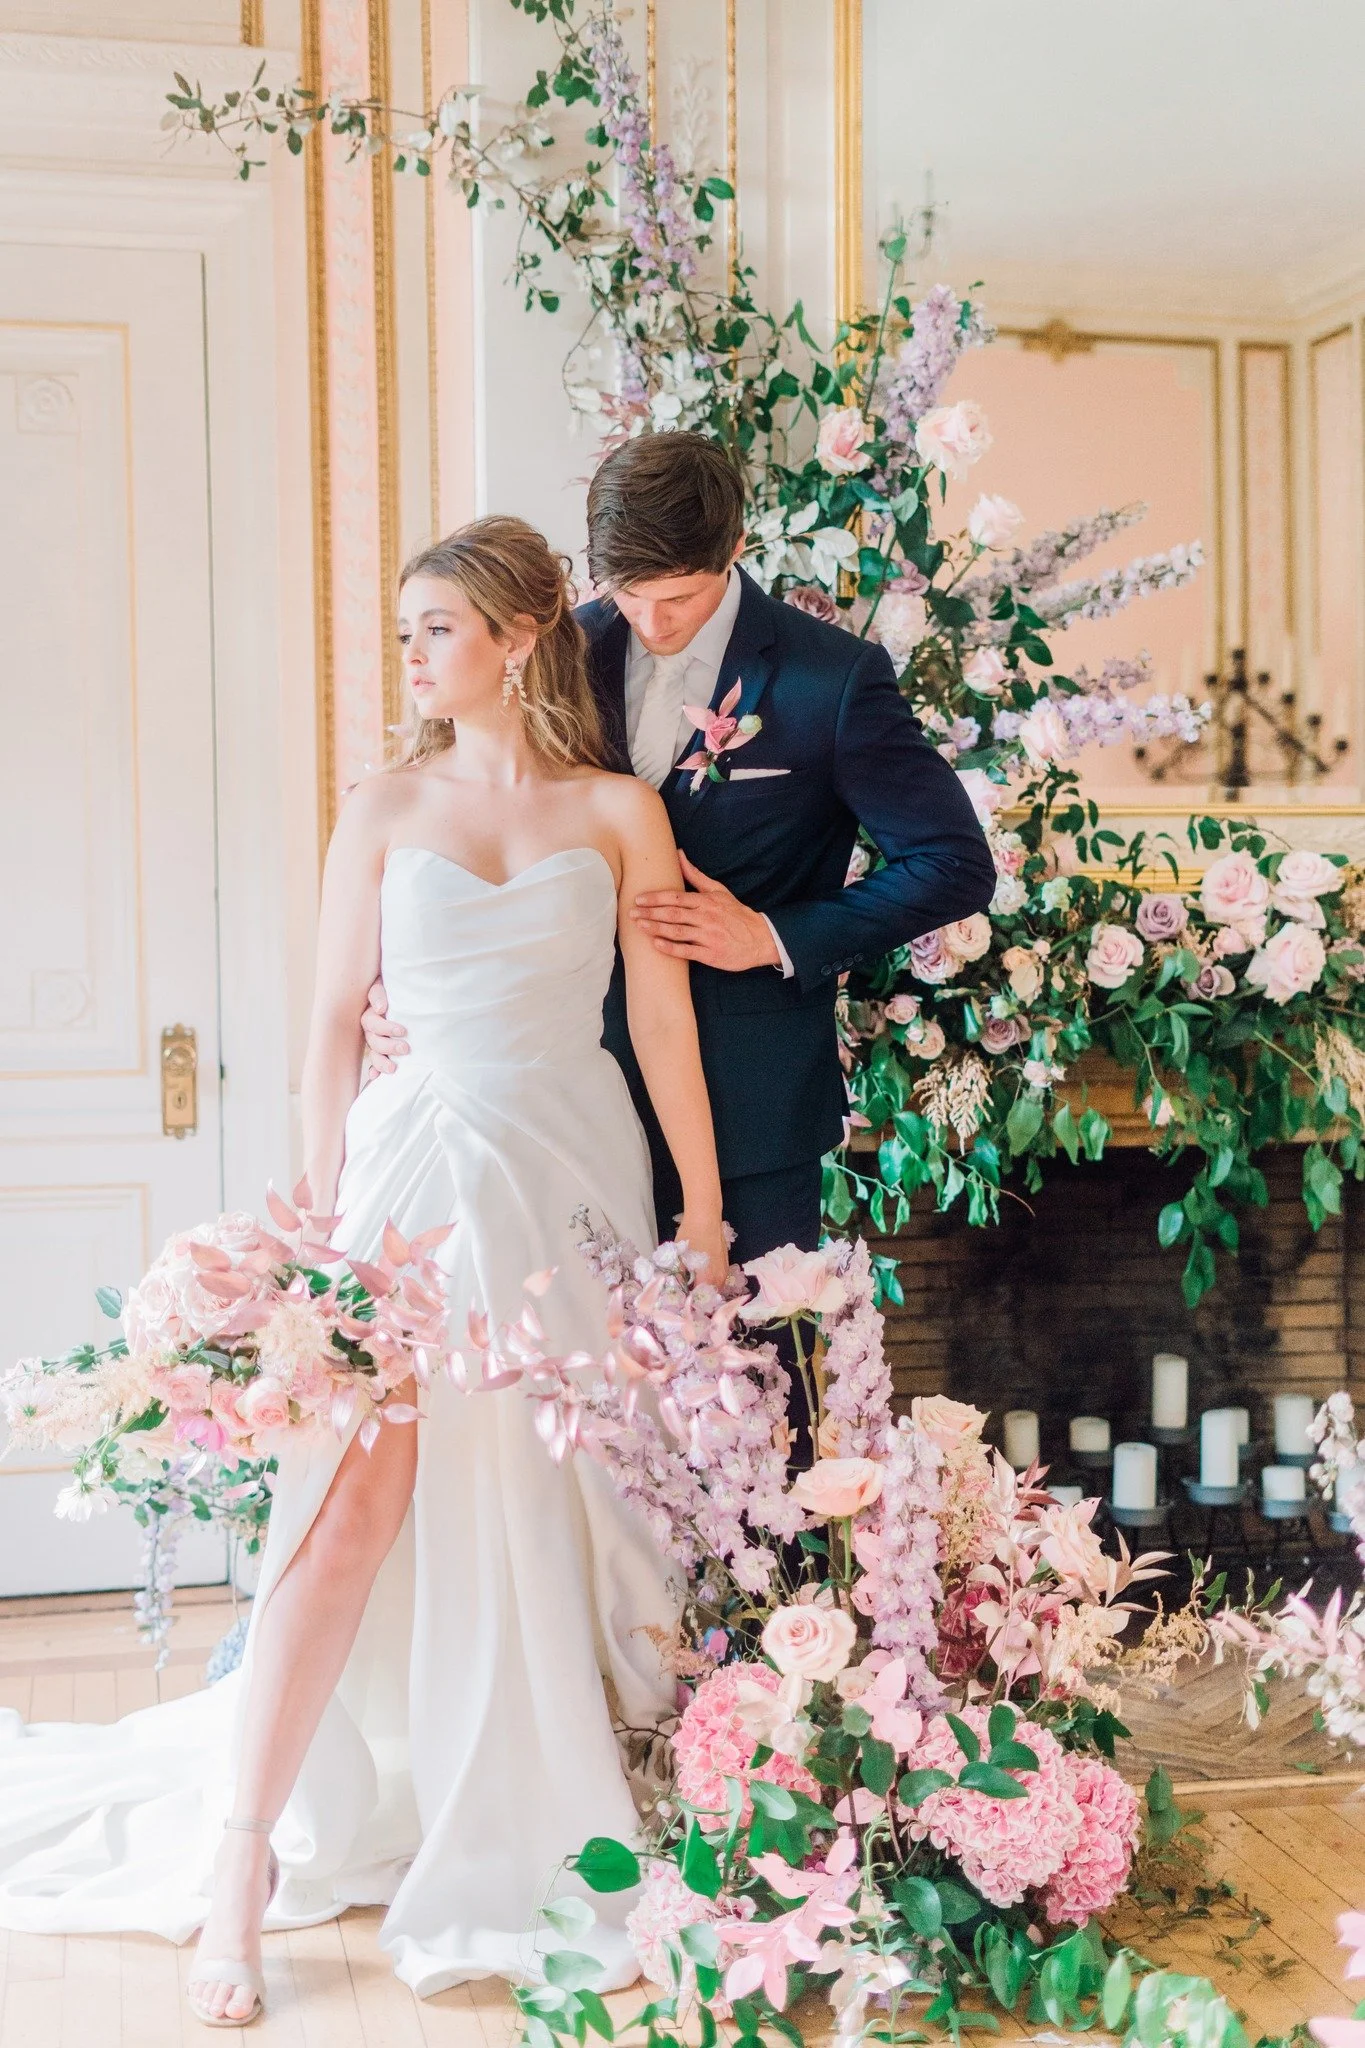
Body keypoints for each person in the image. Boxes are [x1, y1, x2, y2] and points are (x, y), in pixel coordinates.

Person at [0, 517, 726, 2024]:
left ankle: (544, 1812)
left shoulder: (618, 811)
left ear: (520, 636)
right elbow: (332, 1020)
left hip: (568, 1181)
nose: (409, 656)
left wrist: (702, 1214)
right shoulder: (383, 806)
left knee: (554, 1514)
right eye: (405, 630)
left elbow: (661, 1025)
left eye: (434, 627)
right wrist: (325, 1230)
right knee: (344, 1518)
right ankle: (237, 1868)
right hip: (404, 1190)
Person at [363, 433, 997, 1270]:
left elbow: (954, 864)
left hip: (749, 1115)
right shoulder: (556, 652)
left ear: (736, 547)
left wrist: (771, 936)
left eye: (680, 597)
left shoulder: (830, 681)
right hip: (561, 1113)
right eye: (627, 592)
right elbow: (467, 822)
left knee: (746, 1387)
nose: (650, 621)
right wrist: (403, 992)